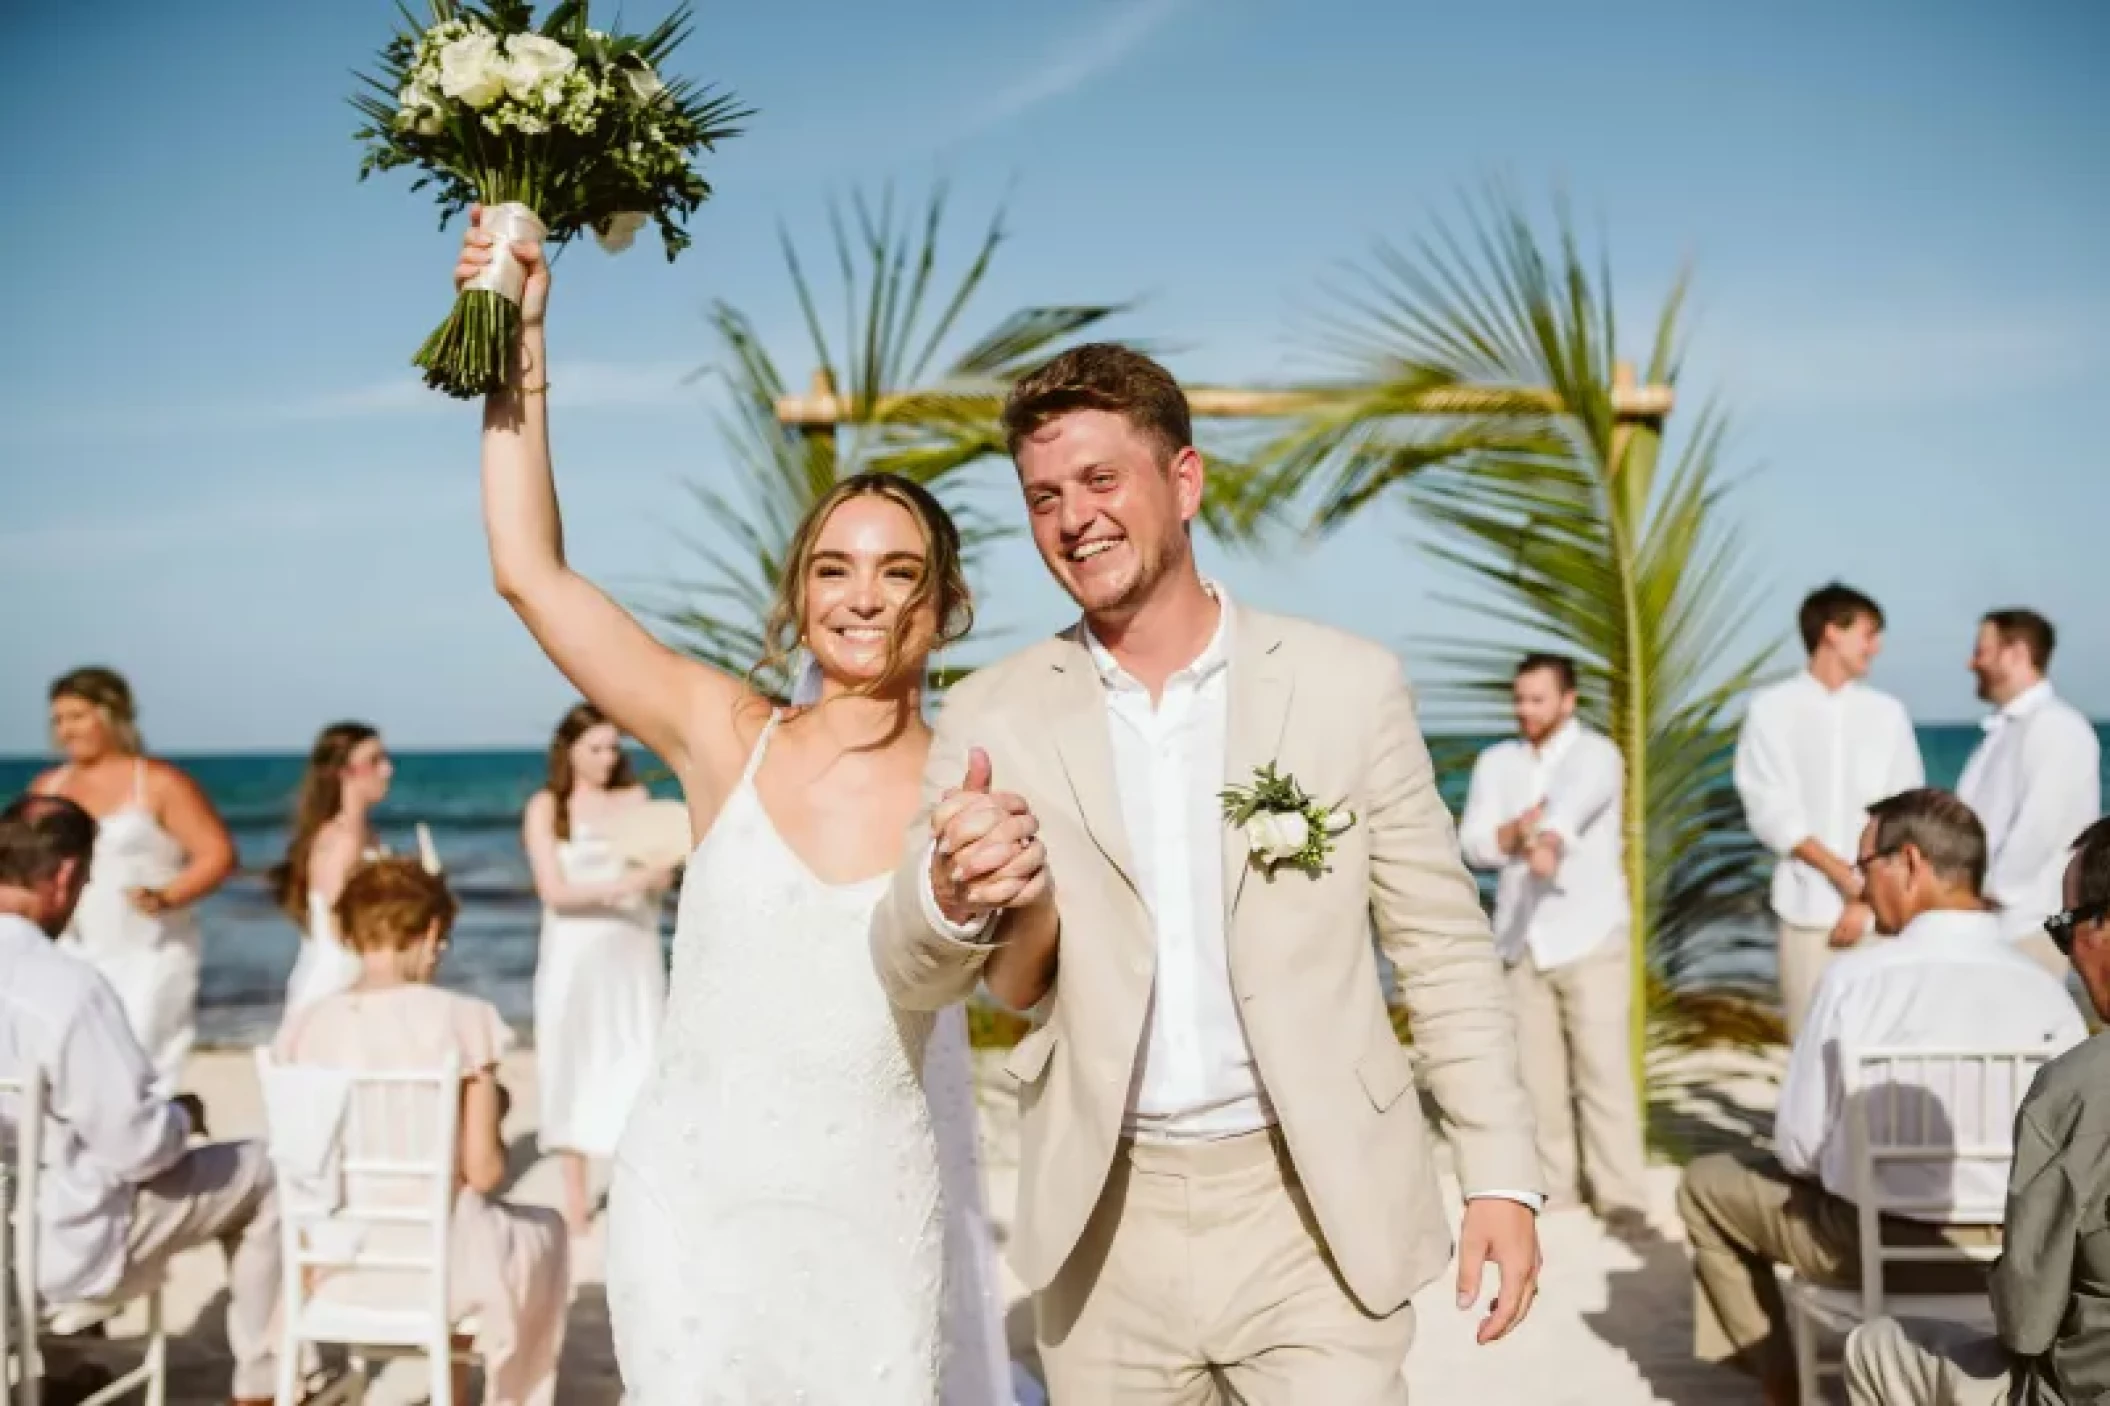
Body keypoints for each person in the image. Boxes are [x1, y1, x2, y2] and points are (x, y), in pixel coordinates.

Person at [870, 343, 1543, 1403]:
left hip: (1315, 1207)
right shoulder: (995, 711)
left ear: (1184, 481)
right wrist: (950, 896)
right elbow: (910, 969)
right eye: (1043, 496)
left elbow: (1442, 946)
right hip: (1103, 1220)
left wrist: (1500, 1173)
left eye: (1100, 480)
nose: (1072, 518)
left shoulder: (1346, 685)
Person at [451, 208, 1013, 1404]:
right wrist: (522, 334)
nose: (863, 598)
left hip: (875, 1211)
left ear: (945, 604)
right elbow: (527, 569)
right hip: (691, 1207)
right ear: (798, 595)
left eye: (898, 570)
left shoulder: (975, 776)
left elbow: (1036, 973)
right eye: (833, 567)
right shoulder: (724, 738)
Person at [1676, 788, 2085, 1405]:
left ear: (1911, 864)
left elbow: (1797, 1148)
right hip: (2011, 1259)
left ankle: (1781, 1388)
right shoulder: (2047, 993)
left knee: (1705, 1185)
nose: (1860, 888)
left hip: (1869, 1251)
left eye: (1865, 866)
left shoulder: (1854, 980)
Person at [0, 794, 281, 1406]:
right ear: (67, 875)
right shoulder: (62, 986)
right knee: (264, 1174)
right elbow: (136, 1150)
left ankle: (56, 1364)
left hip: (6, 1243)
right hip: (55, 1255)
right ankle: (263, 1388)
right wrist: (181, 1117)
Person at [276, 857, 569, 1406]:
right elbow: (484, 1173)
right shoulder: (463, 1018)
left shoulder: (305, 1027)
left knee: (473, 1229)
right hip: (440, 1264)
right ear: (431, 932)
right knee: (544, 1230)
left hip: (337, 1257)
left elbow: (303, 1161)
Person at [1845, 814, 2110, 1406]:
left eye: (2064, 929)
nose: (2065, 955)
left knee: (1876, 1348)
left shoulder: (2078, 1085)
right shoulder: (2044, 1003)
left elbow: (2026, 1325)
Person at [1460, 652, 1646, 1229]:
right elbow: (1474, 844)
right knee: (1537, 1080)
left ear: (1567, 700)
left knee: (1603, 1074)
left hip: (1588, 935)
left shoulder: (1597, 754)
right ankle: (1556, 1189)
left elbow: (1576, 804)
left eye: (1537, 698)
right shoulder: (1497, 763)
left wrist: (1546, 838)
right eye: (1519, 698)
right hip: (1521, 941)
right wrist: (1516, 834)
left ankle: (1622, 1197)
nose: (1525, 709)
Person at [30, 667, 237, 1096]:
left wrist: (168, 895)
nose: (66, 730)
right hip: (73, 948)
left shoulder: (160, 782)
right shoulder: (49, 786)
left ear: (111, 716)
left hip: (151, 949)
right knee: (71, 1067)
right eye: (58, 720)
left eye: (77, 716)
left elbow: (217, 855)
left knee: (142, 1066)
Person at [1734, 583, 1923, 1037]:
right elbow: (1771, 810)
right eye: (1868, 632)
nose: (1875, 647)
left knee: (1880, 1048)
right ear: (1831, 633)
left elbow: (1905, 810)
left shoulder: (1888, 713)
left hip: (1880, 917)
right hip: (1805, 909)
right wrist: (1843, 878)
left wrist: (1864, 901)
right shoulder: (1770, 710)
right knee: (1809, 1050)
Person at [524, 702, 671, 1235]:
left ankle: (639, 1181)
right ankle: (574, 1194)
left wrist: (657, 877)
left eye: (614, 747)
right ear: (569, 751)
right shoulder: (548, 806)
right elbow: (554, 892)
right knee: (572, 1058)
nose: (608, 758)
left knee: (640, 1053)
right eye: (596, 748)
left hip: (631, 949)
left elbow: (657, 863)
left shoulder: (635, 800)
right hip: (574, 953)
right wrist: (625, 886)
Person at [1957, 609, 2101, 980]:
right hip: (1994, 929)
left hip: (2026, 927)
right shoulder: (2004, 730)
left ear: (2016, 653)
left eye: (1981, 650)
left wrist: (1982, 896)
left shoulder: (2057, 726)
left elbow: (2042, 826)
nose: (1970, 662)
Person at [269, 721, 395, 1020]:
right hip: (339, 974)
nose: (388, 770)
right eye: (374, 761)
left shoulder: (361, 833)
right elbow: (337, 919)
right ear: (344, 772)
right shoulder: (343, 839)